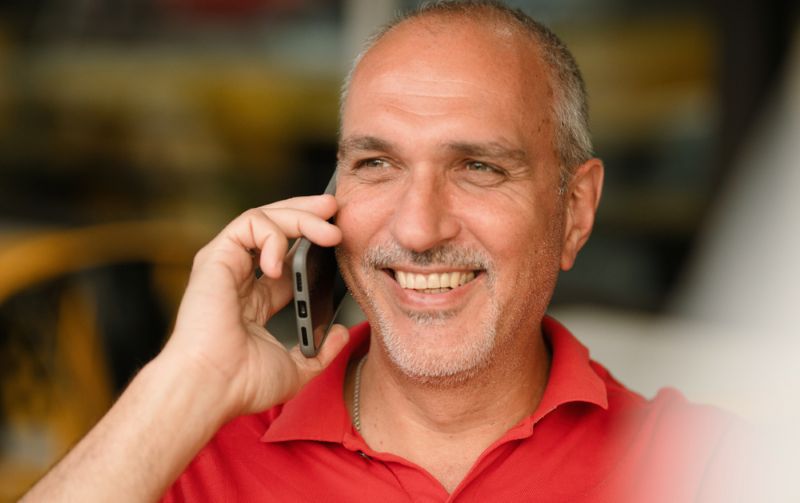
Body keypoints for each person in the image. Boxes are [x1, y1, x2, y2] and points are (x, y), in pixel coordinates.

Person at [23, 1, 751, 501]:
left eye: (479, 167)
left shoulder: (703, 466)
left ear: (574, 211)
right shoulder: (189, 454)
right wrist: (186, 380)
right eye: (377, 163)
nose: (418, 227)